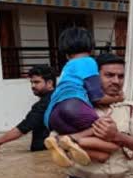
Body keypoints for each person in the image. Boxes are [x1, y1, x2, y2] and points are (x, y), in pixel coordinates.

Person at [63, 53, 133, 178]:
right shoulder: (76, 106)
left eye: (120, 76)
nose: (116, 81)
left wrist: (116, 136)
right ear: (95, 77)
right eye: (109, 75)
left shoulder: (130, 108)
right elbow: (58, 143)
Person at [42, 27, 124, 167]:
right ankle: (65, 140)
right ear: (91, 48)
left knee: (103, 156)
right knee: (111, 141)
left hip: (51, 115)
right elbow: (97, 98)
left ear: (66, 53)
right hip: (74, 106)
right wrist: (118, 98)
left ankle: (65, 144)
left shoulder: (67, 67)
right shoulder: (89, 62)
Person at [0, 65, 56, 153]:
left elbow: (23, 128)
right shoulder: (60, 98)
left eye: (37, 82)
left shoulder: (43, 104)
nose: (32, 86)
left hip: (45, 154)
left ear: (49, 83)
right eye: (31, 82)